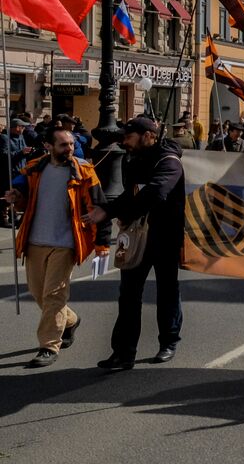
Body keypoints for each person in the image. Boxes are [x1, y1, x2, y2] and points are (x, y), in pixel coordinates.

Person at [84, 117, 186, 369]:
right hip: (134, 237)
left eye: (128, 137)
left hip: (165, 237)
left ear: (148, 135)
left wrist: (116, 211)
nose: (123, 142)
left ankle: (168, 342)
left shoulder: (169, 161)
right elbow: (130, 194)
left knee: (167, 291)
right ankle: (123, 352)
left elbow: (155, 194)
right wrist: (110, 211)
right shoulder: (133, 159)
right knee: (128, 294)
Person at [6, 129, 107, 368]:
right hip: (34, 241)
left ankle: (49, 346)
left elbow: (100, 207)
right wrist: (15, 196)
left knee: (54, 295)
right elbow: (21, 194)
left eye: (71, 144)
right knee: (39, 293)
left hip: (65, 243)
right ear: (48, 146)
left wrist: (102, 243)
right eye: (63, 145)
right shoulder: (33, 168)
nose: (69, 149)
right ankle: (70, 320)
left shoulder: (85, 171)